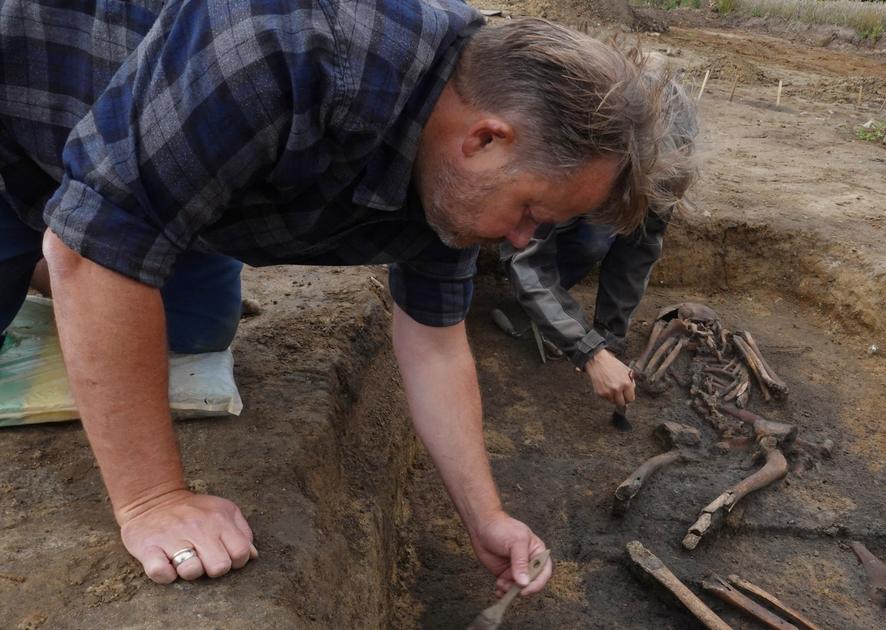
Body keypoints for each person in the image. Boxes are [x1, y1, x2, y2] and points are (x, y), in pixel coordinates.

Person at [0, 0, 698, 596]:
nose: (521, 242)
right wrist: (153, 501)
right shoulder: (292, 44)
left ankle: (92, 254)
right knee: (97, 258)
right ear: (485, 139)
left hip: (167, 170)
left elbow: (435, 337)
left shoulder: (463, 143)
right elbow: (94, 251)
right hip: (24, 106)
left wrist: (486, 516)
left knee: (192, 324)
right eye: (530, 214)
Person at [500, 75, 697, 408]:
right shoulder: (559, 144)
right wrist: (587, 350)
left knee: (602, 235)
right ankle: (536, 307)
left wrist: (610, 338)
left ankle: (554, 313)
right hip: (498, 195)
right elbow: (526, 255)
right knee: (586, 240)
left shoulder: (665, 164)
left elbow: (640, 250)